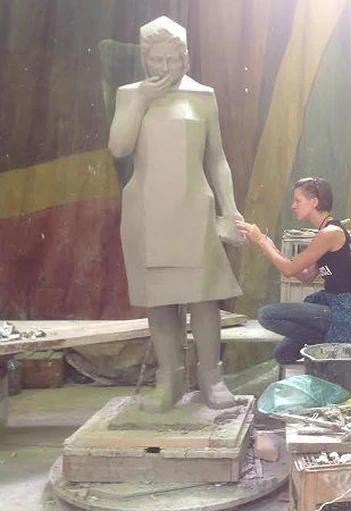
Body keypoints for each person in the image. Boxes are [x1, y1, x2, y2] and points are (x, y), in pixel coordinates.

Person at [107, 16, 244, 412]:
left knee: (204, 298)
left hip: (194, 207)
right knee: (160, 299)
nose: (164, 68)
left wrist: (230, 209)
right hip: (147, 209)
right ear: (144, 59)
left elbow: (217, 158)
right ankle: (168, 380)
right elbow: (119, 147)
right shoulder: (129, 94)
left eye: (171, 59)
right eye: (156, 60)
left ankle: (211, 377)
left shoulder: (203, 96)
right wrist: (141, 100)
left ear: (185, 58)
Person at [236, 177, 351, 364]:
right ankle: (322, 337)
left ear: (314, 202)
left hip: (345, 309)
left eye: (298, 200)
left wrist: (261, 241)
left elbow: (288, 270)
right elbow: (307, 276)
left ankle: (328, 337)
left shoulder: (330, 233)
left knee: (266, 314)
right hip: (331, 302)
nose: (293, 206)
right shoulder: (325, 232)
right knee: (283, 354)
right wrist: (272, 247)